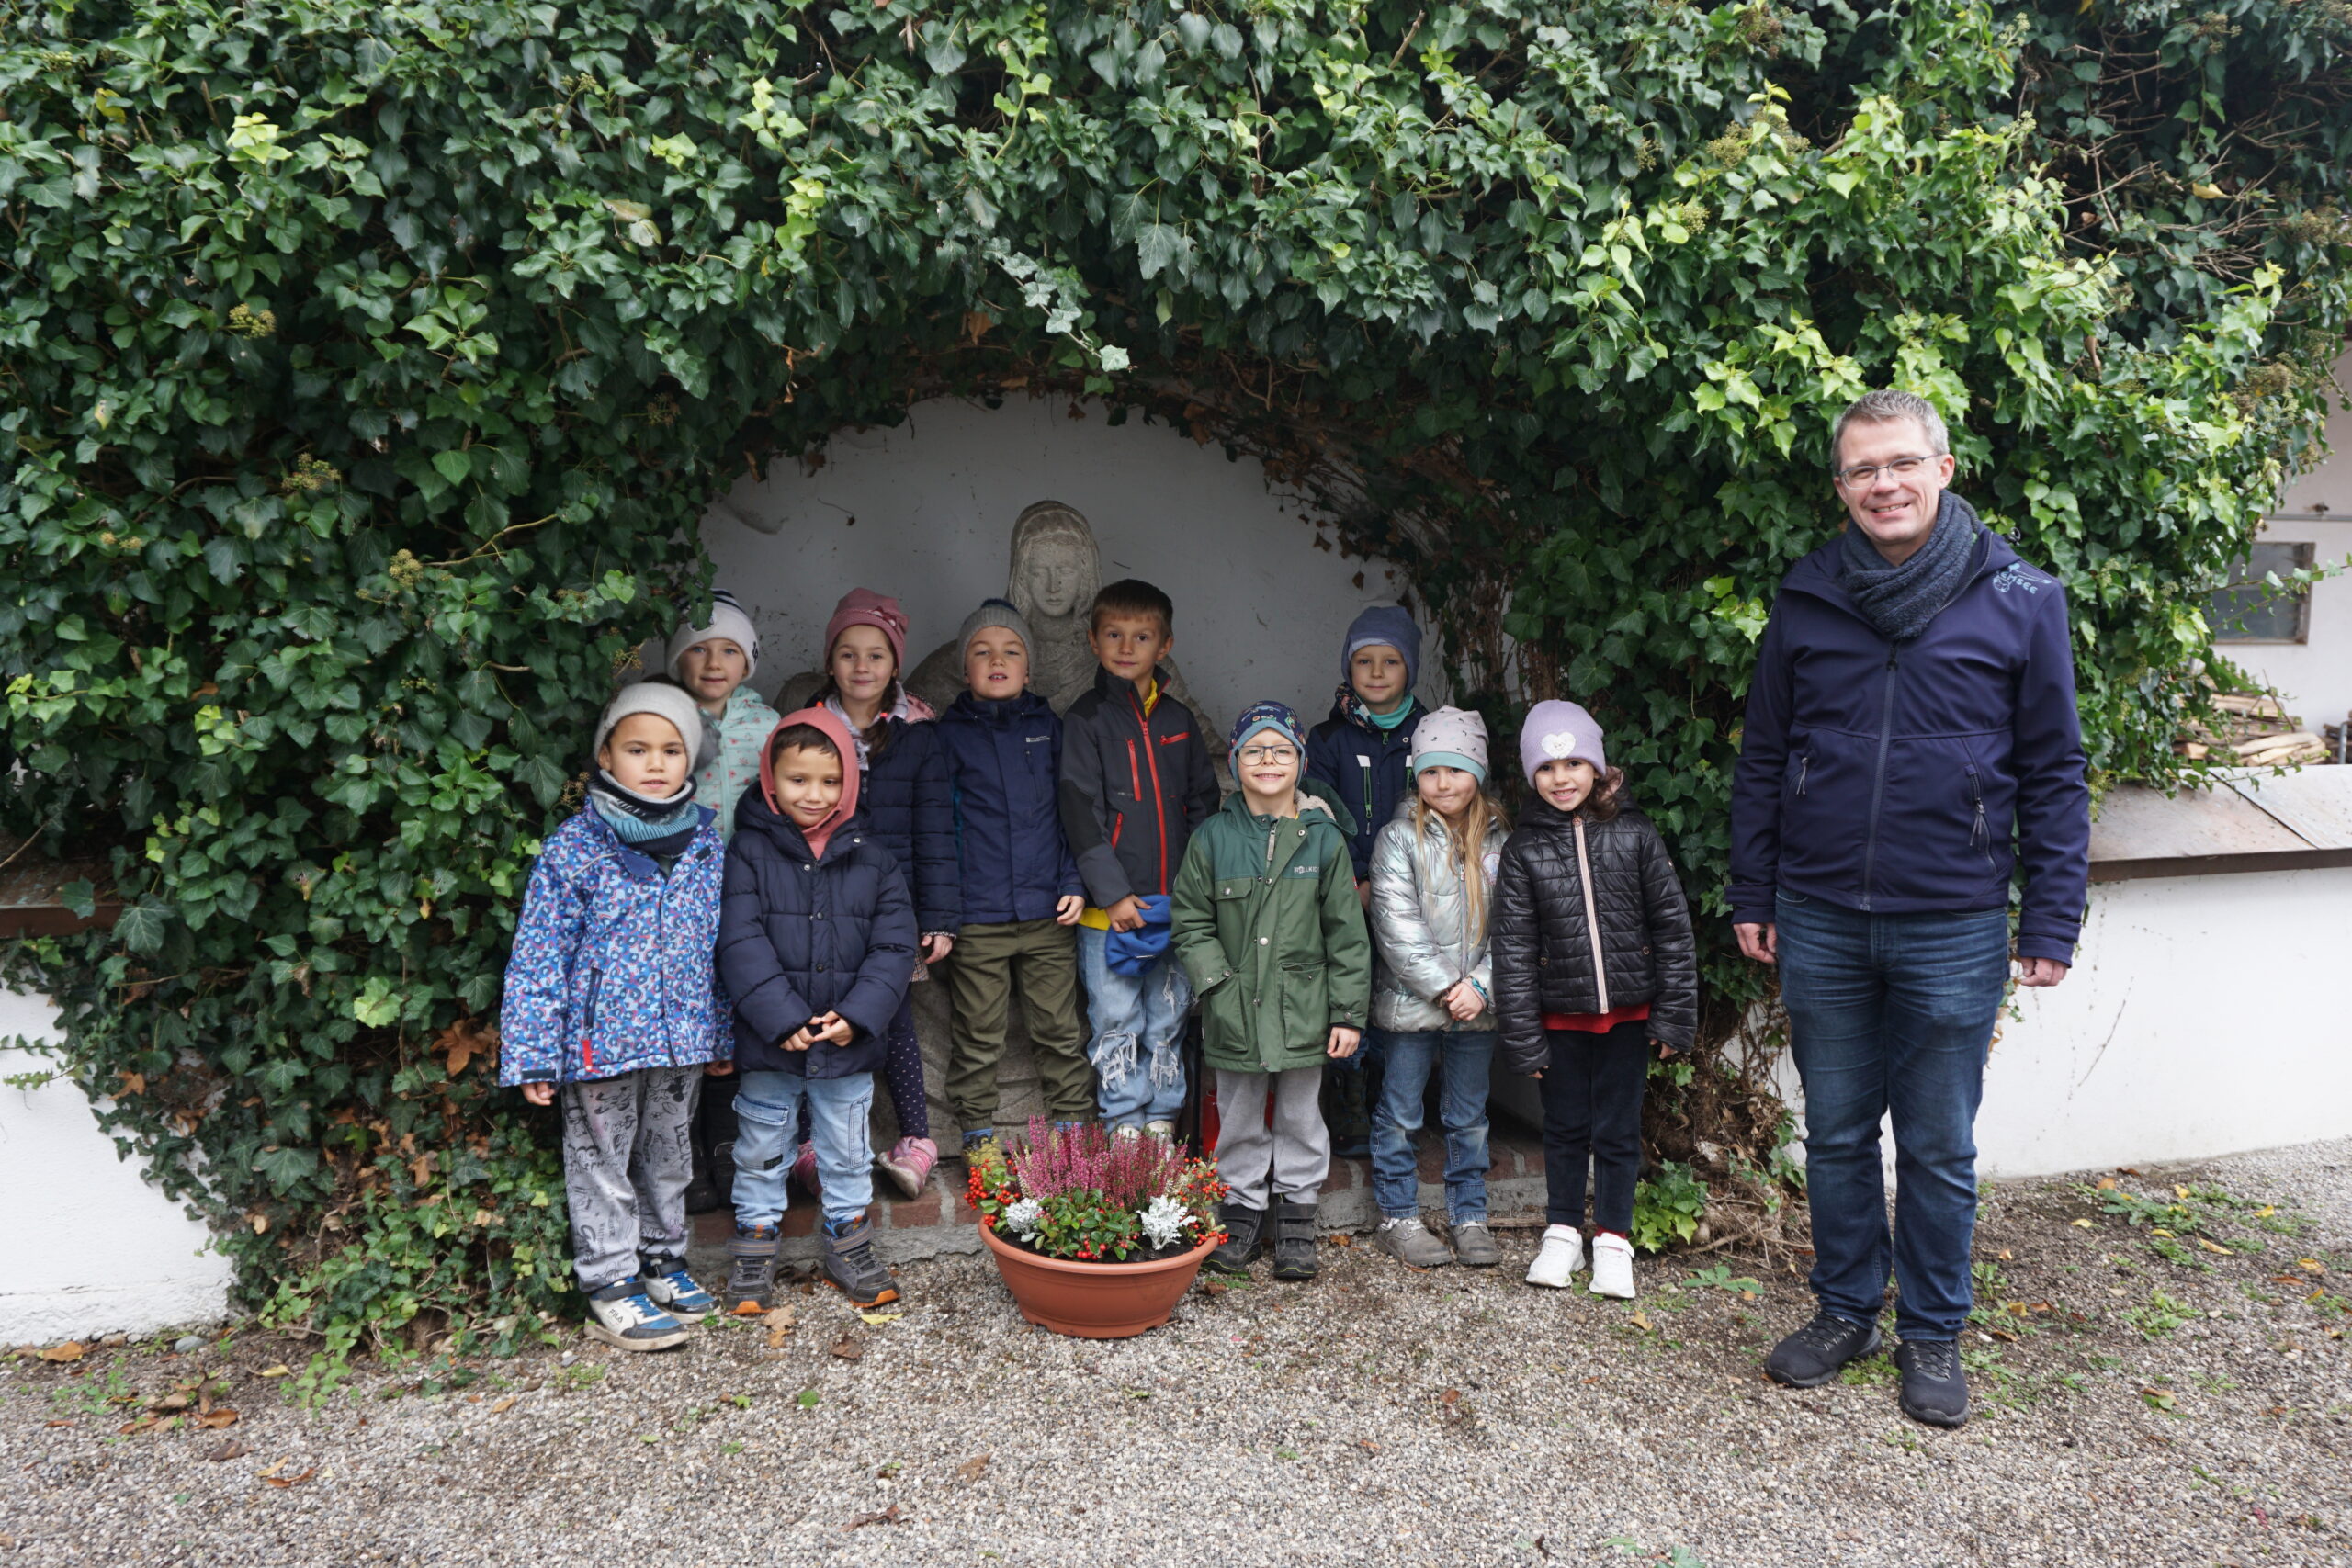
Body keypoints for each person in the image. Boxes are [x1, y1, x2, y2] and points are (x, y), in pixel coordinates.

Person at [1730, 389, 2090, 1428]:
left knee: (1937, 1143)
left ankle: (1932, 1333)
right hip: (1821, 915)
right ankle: (1845, 1310)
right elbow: (1763, 757)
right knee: (1837, 1134)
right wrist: (1754, 889)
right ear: (1839, 488)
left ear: (1942, 467)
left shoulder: (2021, 599)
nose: (1881, 484)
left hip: (1953, 918)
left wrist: (2050, 918)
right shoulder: (1806, 598)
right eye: (1860, 471)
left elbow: (2054, 770)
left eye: (1899, 463)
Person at [499, 683, 729, 1352]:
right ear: (606, 755)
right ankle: (609, 1279)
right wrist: (534, 1051)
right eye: (637, 748)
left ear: (691, 760)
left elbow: (717, 946)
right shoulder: (576, 847)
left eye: (670, 749)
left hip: (682, 1035)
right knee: (600, 1157)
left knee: (669, 1150)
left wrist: (720, 1026)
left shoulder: (705, 846)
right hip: (599, 1042)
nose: (655, 763)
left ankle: (664, 1259)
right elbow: (540, 952)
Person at [1492, 700, 1697, 1303]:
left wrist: (1674, 1013)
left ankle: (1612, 1238)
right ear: (1532, 775)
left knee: (1616, 1127)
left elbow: (1673, 927)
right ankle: (1561, 1230)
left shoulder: (1634, 833)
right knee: (1563, 1126)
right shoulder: (1523, 849)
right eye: (1548, 766)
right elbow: (1514, 948)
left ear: (1598, 767)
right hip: (1560, 1017)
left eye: (1575, 761)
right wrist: (1523, 1033)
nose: (1562, 777)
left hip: (1630, 1016)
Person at [718, 707, 918, 1312]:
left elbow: (894, 945)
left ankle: (847, 1241)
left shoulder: (875, 858)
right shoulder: (748, 852)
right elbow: (739, 940)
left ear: (850, 784)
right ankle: (754, 1245)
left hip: (845, 1039)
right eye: (799, 779)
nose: (815, 793)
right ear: (771, 780)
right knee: (761, 1145)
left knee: (847, 1147)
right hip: (771, 1038)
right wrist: (780, 1017)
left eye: (830, 781)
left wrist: (857, 1014)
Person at [1174, 701, 1373, 1283]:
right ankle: (1241, 1210)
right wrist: (1217, 984)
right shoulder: (1212, 837)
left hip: (1304, 1007)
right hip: (1235, 1006)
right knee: (1237, 1113)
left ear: (1299, 761)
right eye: (1254, 750)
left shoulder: (1323, 841)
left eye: (1281, 750)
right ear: (1235, 764)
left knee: (1300, 1115)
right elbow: (1190, 920)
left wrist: (1347, 1013)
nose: (1268, 760)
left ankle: (1296, 1214)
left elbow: (1347, 934)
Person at [789, 588, 958, 1201]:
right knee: (817, 1018)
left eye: (877, 655)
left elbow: (936, 828)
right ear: (830, 660)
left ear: (895, 665)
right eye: (849, 653)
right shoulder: (807, 729)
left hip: (893, 909)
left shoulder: (917, 735)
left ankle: (916, 1140)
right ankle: (813, 1145)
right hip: (820, 907)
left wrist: (937, 917)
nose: (862, 667)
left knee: (893, 1024)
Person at [1057, 579, 1219, 1137]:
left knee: (1168, 1016)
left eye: (1142, 636)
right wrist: (1113, 893)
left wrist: (1195, 892)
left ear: (1165, 644)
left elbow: (1203, 803)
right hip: (1112, 912)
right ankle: (1123, 1123)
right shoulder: (1086, 719)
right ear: (1094, 640)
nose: (1127, 646)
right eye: (1114, 634)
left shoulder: (1178, 721)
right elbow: (1080, 810)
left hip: (1173, 906)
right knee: (1115, 1019)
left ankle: (1162, 1123)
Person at [935, 600, 1092, 1151]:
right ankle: (978, 1140)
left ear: (1029, 668)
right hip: (978, 917)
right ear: (964, 670)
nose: (996, 660)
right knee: (979, 1035)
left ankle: (1072, 1138)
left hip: (1049, 911)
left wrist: (1074, 882)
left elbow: (1076, 814)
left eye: (1010, 651)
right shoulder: (946, 737)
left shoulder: (1051, 730)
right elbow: (939, 829)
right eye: (981, 652)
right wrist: (943, 911)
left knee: (1059, 1030)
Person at [1366, 706, 1509, 1270]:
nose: (1442, 783)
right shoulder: (1399, 838)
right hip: (1413, 1004)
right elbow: (1395, 925)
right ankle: (1399, 1216)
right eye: (1430, 772)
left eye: (1455, 770)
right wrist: (1452, 987)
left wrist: (1483, 986)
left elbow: (1518, 927)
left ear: (1478, 771)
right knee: (1400, 1112)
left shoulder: (1502, 841)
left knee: (1468, 1115)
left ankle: (1469, 1214)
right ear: (1415, 777)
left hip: (1480, 1006)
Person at [666, 589, 779, 1216]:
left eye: (729, 650)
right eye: (698, 649)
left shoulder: (768, 726)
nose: (713, 661)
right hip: (683, 897)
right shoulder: (666, 723)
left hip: (751, 891)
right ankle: (690, 1152)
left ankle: (732, 1144)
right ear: (677, 659)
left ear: (749, 660)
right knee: (693, 1018)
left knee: (742, 1012)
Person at [1306, 605, 1423, 1156]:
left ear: (1411, 667)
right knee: (1351, 984)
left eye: (1391, 661)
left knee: (1402, 990)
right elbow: (1320, 812)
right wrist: (1354, 878)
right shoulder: (1327, 739)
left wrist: (1394, 883)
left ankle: (1394, 1096)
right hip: (1347, 891)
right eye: (1363, 661)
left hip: (1416, 893)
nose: (1376, 672)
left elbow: (1441, 810)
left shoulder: (1428, 733)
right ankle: (1349, 1092)